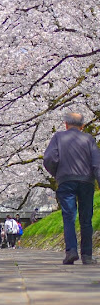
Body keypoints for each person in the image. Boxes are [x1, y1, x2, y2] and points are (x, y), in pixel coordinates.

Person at [44, 111, 100, 264]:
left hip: (66, 181)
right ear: (82, 126)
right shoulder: (89, 139)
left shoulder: (58, 137)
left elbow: (49, 158)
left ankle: (71, 252)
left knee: (69, 216)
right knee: (86, 218)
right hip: (86, 181)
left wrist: (57, 173)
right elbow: (97, 163)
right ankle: (87, 256)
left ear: (66, 124)